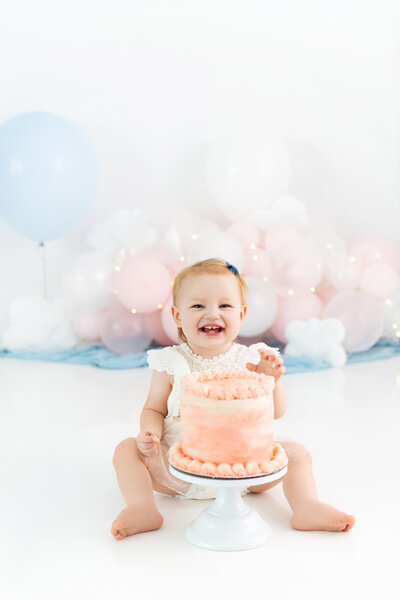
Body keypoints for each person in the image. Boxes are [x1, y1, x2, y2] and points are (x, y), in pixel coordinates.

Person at [111, 258, 355, 540]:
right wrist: (149, 431)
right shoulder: (171, 362)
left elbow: (276, 411)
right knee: (125, 450)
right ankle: (142, 508)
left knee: (297, 454)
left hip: (245, 469)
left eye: (224, 305)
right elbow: (153, 407)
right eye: (198, 306)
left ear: (242, 314)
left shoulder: (251, 360)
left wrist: (270, 382)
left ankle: (306, 506)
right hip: (180, 467)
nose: (212, 314)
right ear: (177, 316)